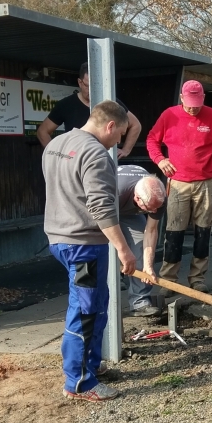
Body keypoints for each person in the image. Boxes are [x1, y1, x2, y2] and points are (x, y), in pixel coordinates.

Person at [42, 100, 137, 401]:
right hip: (83, 246)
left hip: (59, 238)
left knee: (94, 303)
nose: (119, 141)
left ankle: (89, 367)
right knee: (87, 312)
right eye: (120, 133)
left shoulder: (56, 143)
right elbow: (101, 207)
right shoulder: (95, 153)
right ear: (110, 125)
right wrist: (124, 250)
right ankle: (80, 382)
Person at [145, 80, 212, 291]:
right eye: (189, 103)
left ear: (203, 99)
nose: (193, 108)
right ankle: (169, 280)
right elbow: (152, 140)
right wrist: (160, 160)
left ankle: (197, 279)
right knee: (174, 231)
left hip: (206, 183)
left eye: (197, 103)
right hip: (178, 183)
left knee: (203, 231)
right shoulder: (169, 116)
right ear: (181, 98)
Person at [36, 62, 142, 157]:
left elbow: (135, 125)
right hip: (75, 160)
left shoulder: (111, 103)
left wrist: (126, 150)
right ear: (80, 82)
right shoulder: (66, 105)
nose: (91, 90)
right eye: (87, 86)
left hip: (103, 160)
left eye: (95, 86)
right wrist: (56, 156)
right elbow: (42, 131)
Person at [115, 164, 166, 316]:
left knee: (141, 252)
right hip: (104, 211)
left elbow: (150, 230)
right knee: (106, 253)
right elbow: (103, 221)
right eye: (150, 209)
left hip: (131, 213)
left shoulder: (158, 197)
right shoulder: (116, 190)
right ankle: (104, 304)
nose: (154, 212)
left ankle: (140, 302)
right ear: (137, 198)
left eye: (156, 208)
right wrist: (121, 250)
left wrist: (148, 267)